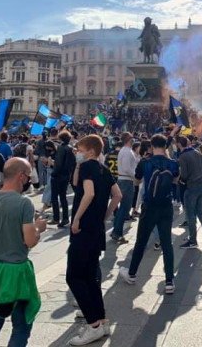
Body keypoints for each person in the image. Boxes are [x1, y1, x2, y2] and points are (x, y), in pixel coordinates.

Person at [0, 157, 47, 347]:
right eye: (29, 175)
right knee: (21, 327)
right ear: (21, 176)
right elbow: (30, 240)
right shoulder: (23, 203)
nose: (30, 179)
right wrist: (39, 228)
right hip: (15, 273)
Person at [65, 135, 122, 346]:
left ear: (89, 151)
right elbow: (117, 196)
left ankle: (93, 325)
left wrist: (77, 217)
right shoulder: (103, 169)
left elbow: (87, 194)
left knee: (74, 276)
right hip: (96, 230)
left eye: (79, 148)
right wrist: (104, 217)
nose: (76, 152)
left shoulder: (89, 166)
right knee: (90, 277)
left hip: (83, 229)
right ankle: (102, 321)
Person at [119, 134, 180, 294]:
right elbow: (175, 180)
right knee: (167, 243)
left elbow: (137, 181)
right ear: (166, 147)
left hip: (149, 206)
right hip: (166, 205)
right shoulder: (173, 163)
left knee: (141, 241)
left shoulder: (145, 163)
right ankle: (169, 281)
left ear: (152, 146)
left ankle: (132, 274)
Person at [176, 135, 202, 249]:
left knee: (190, 215)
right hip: (201, 185)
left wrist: (180, 179)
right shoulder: (196, 152)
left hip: (191, 187)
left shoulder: (182, 156)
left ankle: (192, 240)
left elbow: (185, 175)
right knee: (200, 213)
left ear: (179, 144)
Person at [111, 132, 135, 244]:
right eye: (132, 138)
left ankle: (115, 230)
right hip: (126, 180)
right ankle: (117, 232)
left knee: (122, 208)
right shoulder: (127, 151)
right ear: (128, 140)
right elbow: (126, 168)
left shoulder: (125, 151)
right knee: (125, 207)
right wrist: (136, 175)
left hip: (123, 180)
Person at [49, 130, 76, 228]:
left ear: (61, 138)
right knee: (63, 196)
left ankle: (56, 218)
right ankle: (65, 217)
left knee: (54, 197)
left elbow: (58, 163)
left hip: (58, 175)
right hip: (67, 174)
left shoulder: (61, 148)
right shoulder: (71, 148)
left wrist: (53, 173)